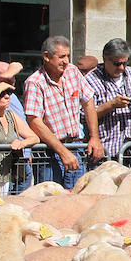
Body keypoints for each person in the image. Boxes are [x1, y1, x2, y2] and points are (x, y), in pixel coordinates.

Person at [23, 36, 104, 188]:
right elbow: (34, 121)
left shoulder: (72, 71)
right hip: (49, 153)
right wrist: (62, 152)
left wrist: (94, 137)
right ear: (46, 56)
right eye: (61, 56)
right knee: (51, 203)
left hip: (76, 148)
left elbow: (88, 102)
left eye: (68, 56)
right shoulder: (34, 82)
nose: (66, 61)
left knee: (76, 201)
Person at [84, 38, 131, 164]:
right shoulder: (90, 80)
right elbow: (84, 115)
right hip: (106, 150)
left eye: (125, 63)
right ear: (105, 58)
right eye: (117, 64)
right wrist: (111, 105)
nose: (122, 68)